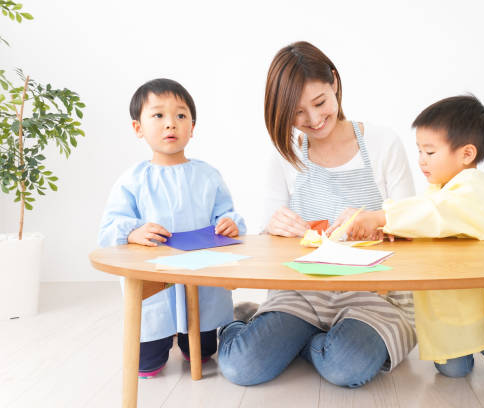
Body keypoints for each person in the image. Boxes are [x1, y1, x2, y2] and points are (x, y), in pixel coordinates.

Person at [217, 41, 417, 388]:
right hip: (302, 292)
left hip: (375, 295)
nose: (313, 119)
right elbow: (268, 242)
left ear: (335, 82)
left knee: (346, 367)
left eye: (320, 103)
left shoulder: (384, 143)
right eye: (297, 113)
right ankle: (241, 323)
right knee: (241, 367)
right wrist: (273, 228)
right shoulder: (285, 155)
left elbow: (414, 225)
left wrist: (377, 220)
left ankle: (297, 343)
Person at [331, 95, 484, 380]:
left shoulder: (475, 188)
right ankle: (463, 352)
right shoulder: (436, 190)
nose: (421, 161)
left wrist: (381, 216)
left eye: (430, 152)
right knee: (453, 371)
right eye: (419, 151)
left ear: (466, 154)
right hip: (450, 311)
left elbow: (435, 214)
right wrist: (393, 231)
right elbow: (423, 223)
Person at [98, 78, 246, 378]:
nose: (171, 124)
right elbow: (109, 227)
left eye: (180, 116)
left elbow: (228, 215)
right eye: (158, 115)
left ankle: (216, 330)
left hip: (201, 281)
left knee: (203, 353)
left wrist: (229, 224)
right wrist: (132, 231)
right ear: (138, 128)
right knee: (146, 364)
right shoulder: (133, 180)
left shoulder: (208, 175)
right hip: (156, 285)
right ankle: (162, 339)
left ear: (192, 127)